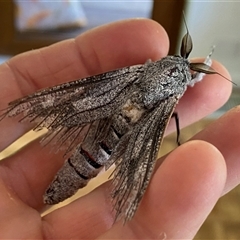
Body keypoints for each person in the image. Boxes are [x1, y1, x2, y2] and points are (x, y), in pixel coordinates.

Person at [0, 18, 238, 239]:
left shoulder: (141, 70)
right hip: (110, 138)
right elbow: (173, 115)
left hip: (114, 101)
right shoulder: (171, 100)